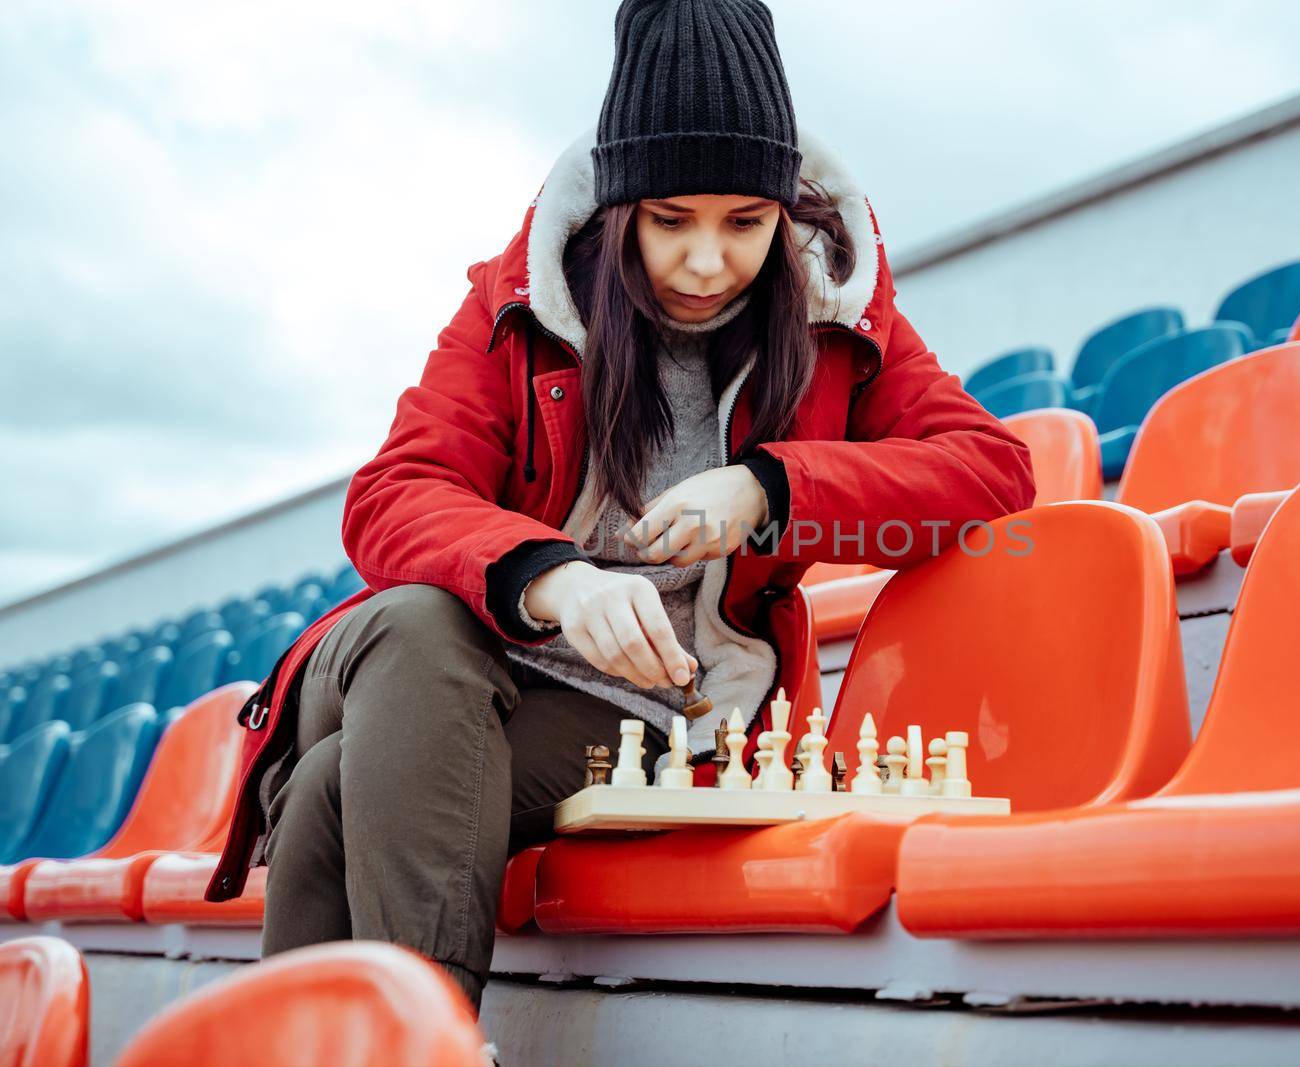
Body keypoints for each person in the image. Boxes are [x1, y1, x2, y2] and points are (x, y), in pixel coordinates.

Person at [205, 0, 1037, 1012]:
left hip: (640, 707)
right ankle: (436, 1036)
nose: (703, 261)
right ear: (617, 208)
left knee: (342, 787)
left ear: (786, 211)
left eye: (745, 222)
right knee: (418, 632)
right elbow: (393, 495)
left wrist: (772, 488)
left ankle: (351, 1037)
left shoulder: (837, 308)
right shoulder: (517, 300)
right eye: (669, 220)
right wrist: (552, 579)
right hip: (439, 653)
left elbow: (991, 467)